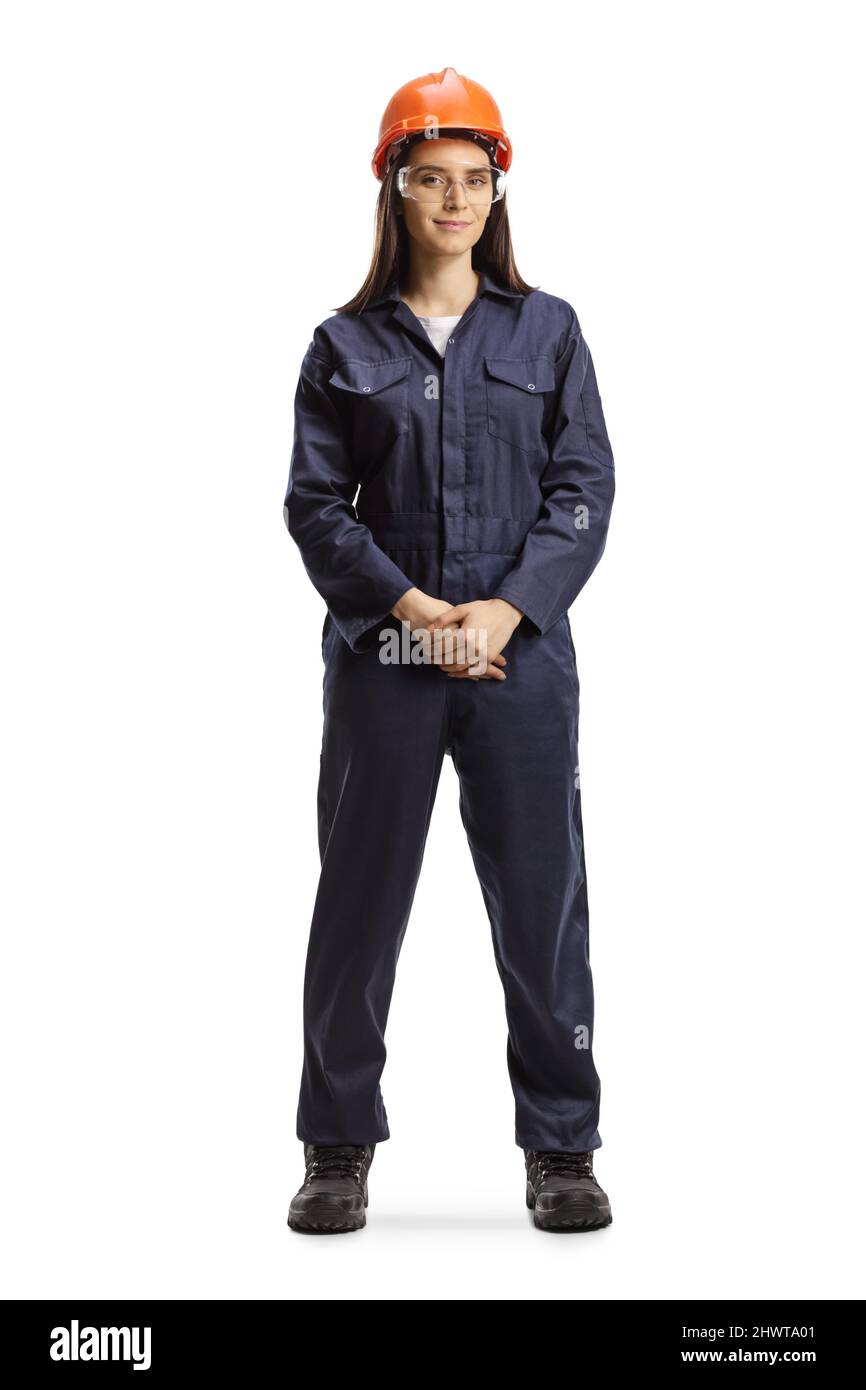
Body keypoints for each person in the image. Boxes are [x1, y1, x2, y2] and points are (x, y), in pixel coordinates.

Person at [283, 67, 616, 1233]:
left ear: (497, 192)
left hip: (518, 666)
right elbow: (316, 507)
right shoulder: (340, 343)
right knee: (360, 901)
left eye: (474, 179)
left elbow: (582, 486)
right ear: (395, 190)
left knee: (542, 903)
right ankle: (335, 1145)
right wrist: (420, 612)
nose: (454, 200)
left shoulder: (548, 330)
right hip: (388, 662)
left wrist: (505, 611)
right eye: (431, 179)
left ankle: (561, 1149)